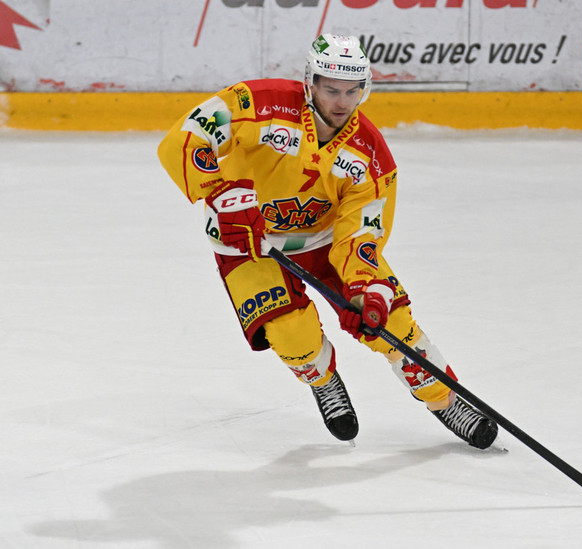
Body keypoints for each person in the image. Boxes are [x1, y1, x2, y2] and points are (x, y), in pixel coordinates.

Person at [157, 33, 498, 449]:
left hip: (324, 240)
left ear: (364, 89)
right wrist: (218, 193)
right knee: (292, 337)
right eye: (331, 89)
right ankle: (322, 379)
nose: (341, 101)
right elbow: (187, 136)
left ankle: (444, 399)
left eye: (352, 91)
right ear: (310, 83)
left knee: (390, 321)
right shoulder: (259, 103)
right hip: (247, 239)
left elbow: (361, 233)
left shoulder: (370, 156)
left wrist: (364, 290)